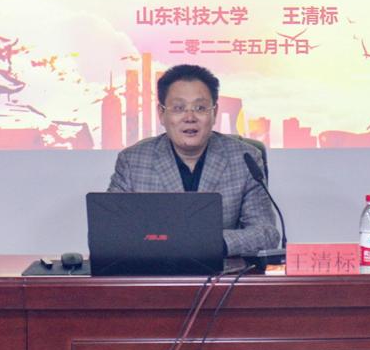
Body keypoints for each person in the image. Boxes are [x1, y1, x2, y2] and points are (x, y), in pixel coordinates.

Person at [108, 64, 279, 257]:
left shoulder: (244, 159)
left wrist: (211, 242)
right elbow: (110, 231)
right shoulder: (133, 162)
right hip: (154, 269)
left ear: (214, 112)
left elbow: (266, 233)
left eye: (200, 108)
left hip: (220, 270)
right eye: (178, 108)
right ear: (161, 114)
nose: (190, 117)